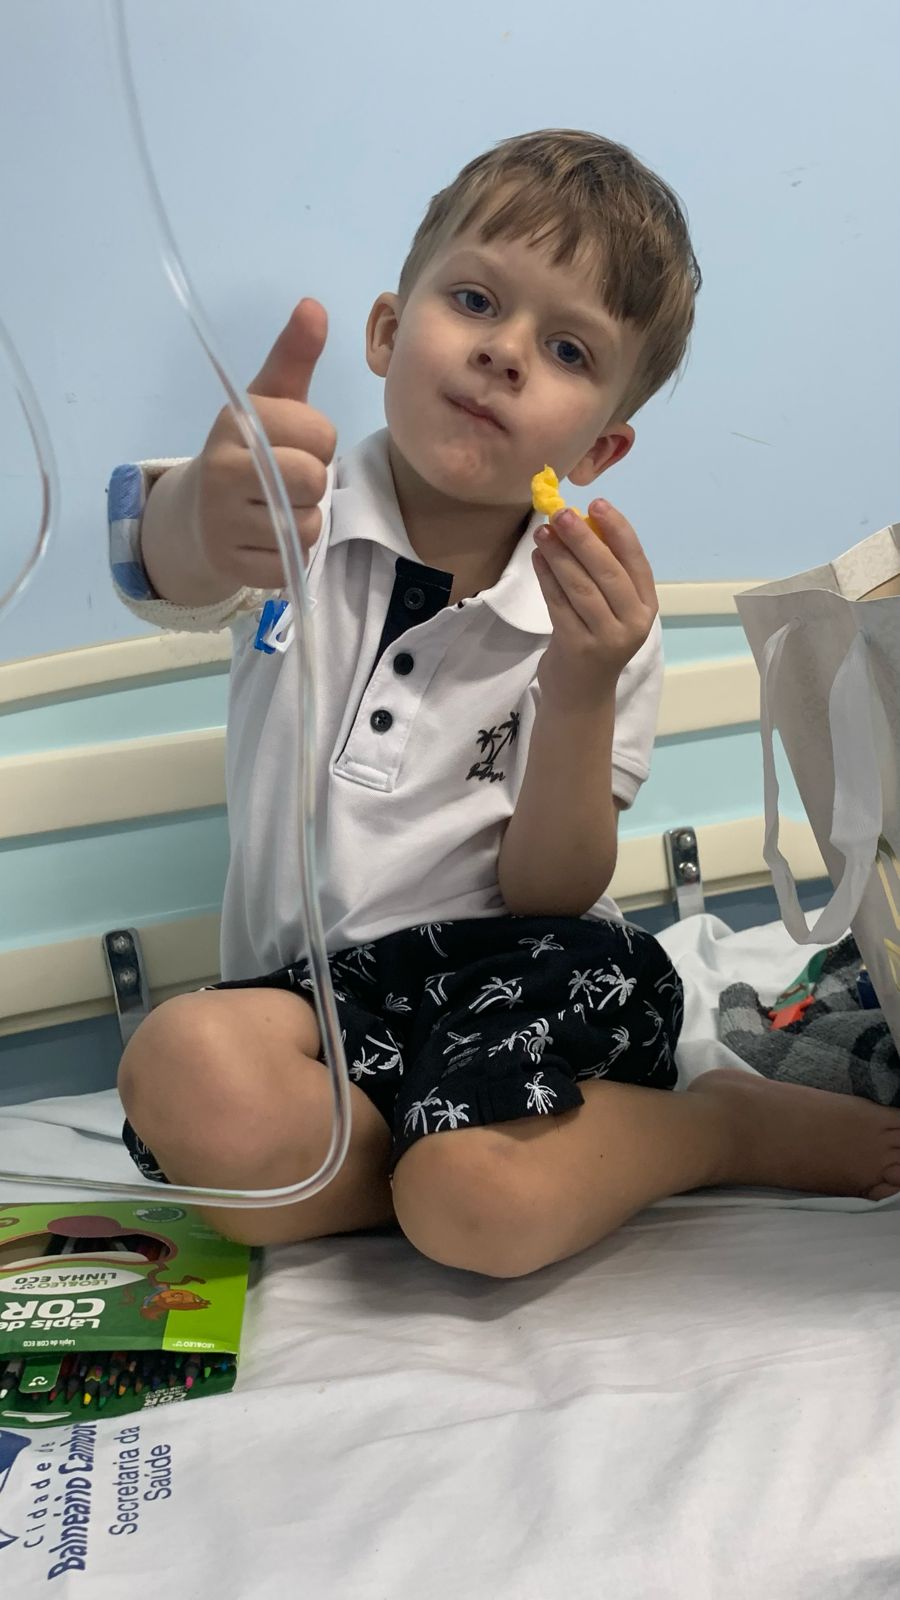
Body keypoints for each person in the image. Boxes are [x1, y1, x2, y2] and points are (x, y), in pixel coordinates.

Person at [110, 129, 900, 1276]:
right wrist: (203, 517)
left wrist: (580, 687)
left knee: (474, 1200)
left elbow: (551, 889)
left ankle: (712, 1126)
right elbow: (167, 561)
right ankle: (437, 1175)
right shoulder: (287, 519)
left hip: (523, 979)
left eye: (567, 348)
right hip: (313, 1008)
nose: (505, 352)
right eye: (475, 300)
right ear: (388, 333)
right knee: (182, 1065)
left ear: (599, 448)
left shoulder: (596, 620)